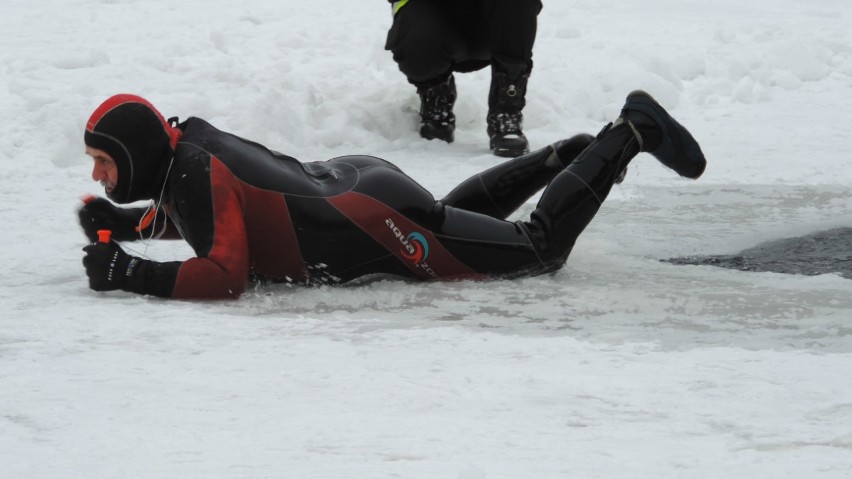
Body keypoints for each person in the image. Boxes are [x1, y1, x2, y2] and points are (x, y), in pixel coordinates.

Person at [79, 91, 706, 300]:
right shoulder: (187, 155)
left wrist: (131, 272)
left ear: (135, 153)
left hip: (368, 220)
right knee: (447, 223)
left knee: (537, 248)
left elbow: (226, 274)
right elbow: (221, 216)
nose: (97, 176)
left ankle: (630, 132)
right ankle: (562, 161)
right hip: (360, 190)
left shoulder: (193, 173)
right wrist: (133, 224)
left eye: (104, 164)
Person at [384, 0, 542, 157]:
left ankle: (506, 109)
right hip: (432, 21)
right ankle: (436, 95)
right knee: (417, 33)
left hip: (493, 25)